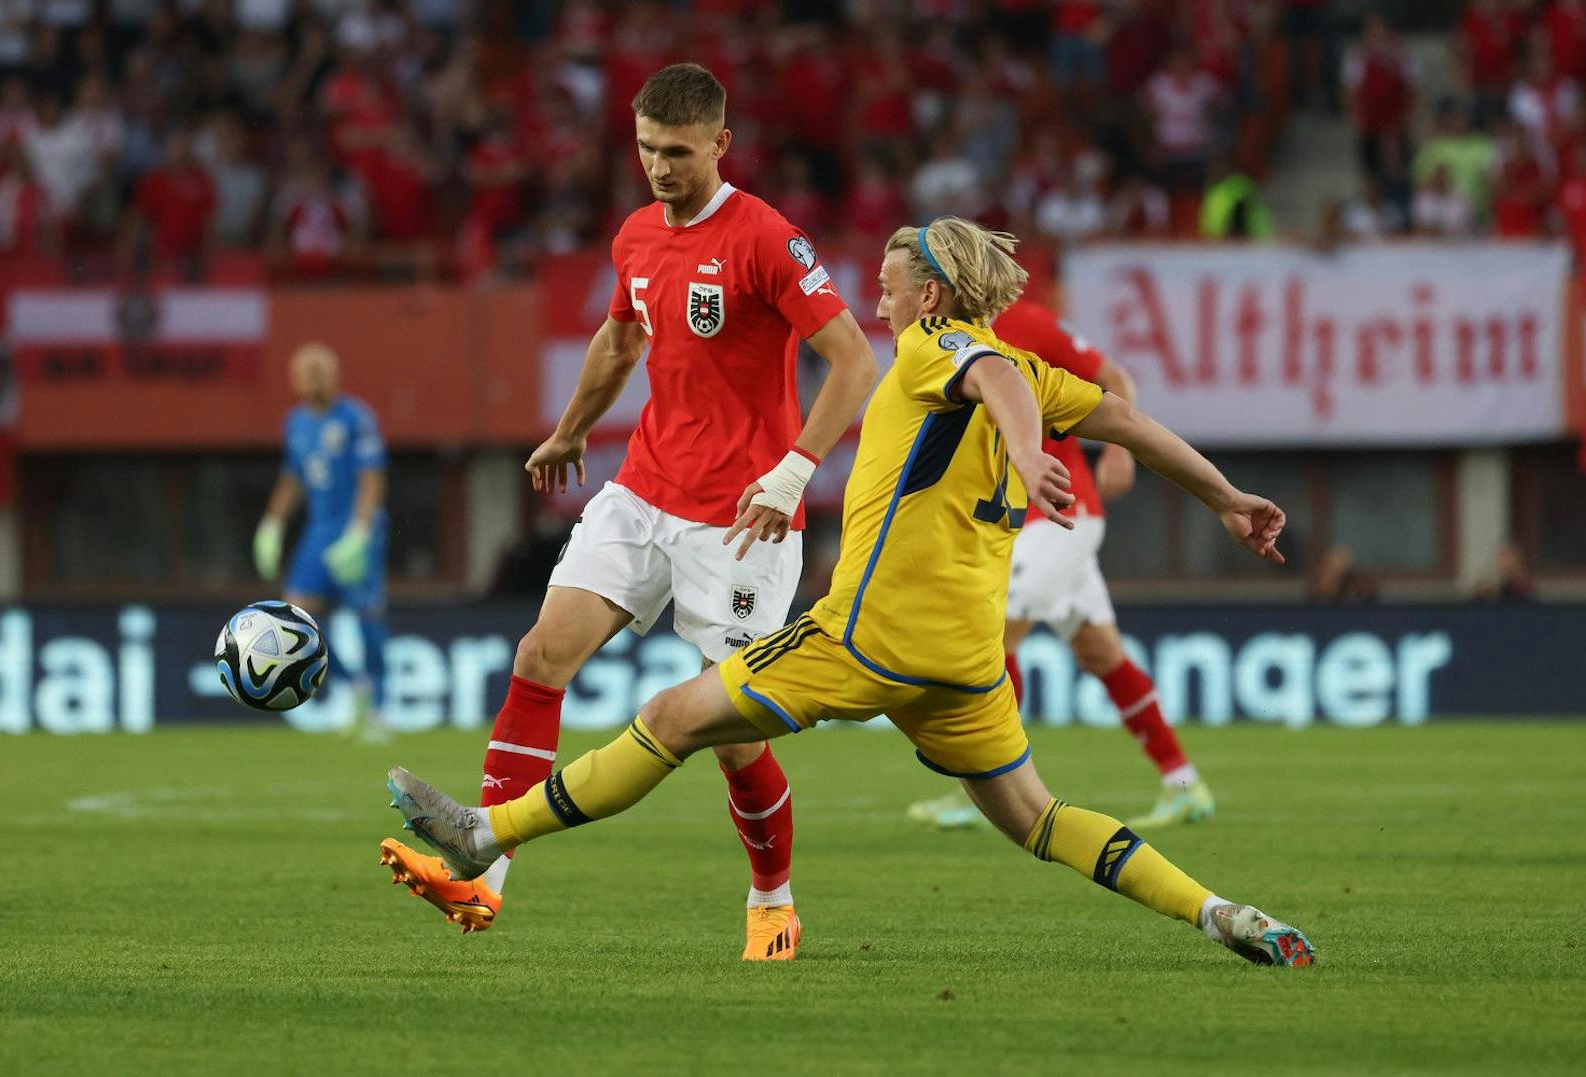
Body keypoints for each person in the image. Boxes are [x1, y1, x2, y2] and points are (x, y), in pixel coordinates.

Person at [384, 216, 1315, 969]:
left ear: (934, 295)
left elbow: (989, 376)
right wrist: (1226, 497)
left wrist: (1029, 454)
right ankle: (1220, 911)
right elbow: (1129, 422)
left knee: (671, 717)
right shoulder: (1029, 373)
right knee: (1038, 816)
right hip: (963, 665)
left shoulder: (935, 349)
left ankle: (484, 833)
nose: (877, 290)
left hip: (865, 640)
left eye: (892, 278)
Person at [377, 64, 879, 958]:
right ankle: (481, 876)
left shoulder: (767, 237)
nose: (659, 167)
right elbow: (620, 336)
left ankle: (773, 896)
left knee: (731, 737)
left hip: (742, 518)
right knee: (541, 653)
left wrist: (796, 473)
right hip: (642, 490)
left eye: (678, 152)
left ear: (720, 145)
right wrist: (571, 430)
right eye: (647, 149)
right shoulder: (637, 235)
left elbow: (853, 362)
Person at [908, 299, 1214, 832]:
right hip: (1019, 517)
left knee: (993, 634)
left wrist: (1119, 450)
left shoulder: (1027, 323)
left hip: (1060, 513)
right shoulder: (937, 338)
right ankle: (1185, 784)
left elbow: (1113, 376)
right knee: (1102, 655)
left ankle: (987, 790)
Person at [253, 343, 390, 740]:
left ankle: (381, 708)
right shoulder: (295, 423)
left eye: (320, 369)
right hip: (320, 529)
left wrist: (361, 531)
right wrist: (272, 524)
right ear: (294, 379)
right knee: (299, 617)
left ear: (335, 375)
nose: (314, 376)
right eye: (306, 370)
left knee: (368, 616)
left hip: (357, 528)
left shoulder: (355, 418)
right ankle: (354, 683)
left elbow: (371, 477)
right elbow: (292, 478)